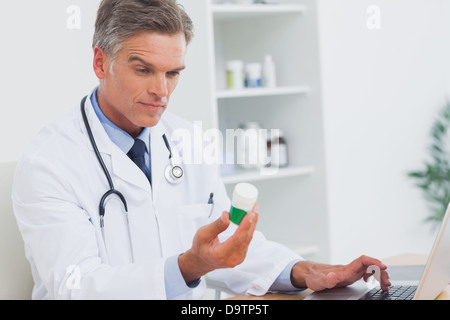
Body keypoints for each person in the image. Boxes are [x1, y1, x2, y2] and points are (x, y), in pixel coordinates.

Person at [12, 0, 390, 300]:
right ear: (100, 62)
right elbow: (76, 287)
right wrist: (187, 268)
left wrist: (306, 272)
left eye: (173, 72)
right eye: (143, 69)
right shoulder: (49, 162)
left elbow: (226, 249)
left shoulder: (186, 140)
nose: (162, 90)